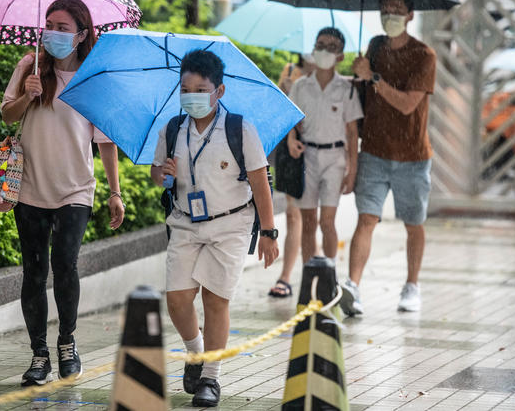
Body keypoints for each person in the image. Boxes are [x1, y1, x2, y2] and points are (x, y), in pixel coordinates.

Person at [1, 0, 125, 386]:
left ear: (82, 34)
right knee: (34, 273)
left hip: (76, 189)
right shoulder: (30, 66)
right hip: (30, 187)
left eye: (62, 27)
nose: (52, 32)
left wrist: (115, 192)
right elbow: (7, 113)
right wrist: (28, 94)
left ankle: (67, 343)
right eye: (49, 24)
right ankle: (39, 354)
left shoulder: (93, 78)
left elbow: (105, 141)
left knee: (65, 265)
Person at [150, 49, 279, 407]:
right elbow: (156, 173)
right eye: (185, 88)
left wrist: (268, 232)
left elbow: (260, 183)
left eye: (200, 89)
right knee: (176, 300)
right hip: (185, 223)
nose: (192, 95)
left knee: (215, 300)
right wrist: (164, 173)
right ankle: (196, 353)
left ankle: (211, 378)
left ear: (218, 91)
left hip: (231, 224)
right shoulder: (173, 128)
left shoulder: (240, 129)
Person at [340, 0, 437, 315]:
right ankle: (352, 287)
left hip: (413, 155)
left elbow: (409, 104)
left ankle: (412, 284)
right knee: (367, 218)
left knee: (413, 222)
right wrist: (357, 76)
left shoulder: (424, 55)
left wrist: (374, 79)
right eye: (385, 11)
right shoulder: (375, 46)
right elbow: (364, 90)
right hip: (375, 150)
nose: (390, 16)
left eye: (397, 11)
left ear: (410, 15)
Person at [286, 27, 362, 264]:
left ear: (340, 56)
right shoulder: (300, 87)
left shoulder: (347, 89)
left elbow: (352, 132)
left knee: (326, 221)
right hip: (307, 157)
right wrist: (290, 139)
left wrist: (352, 171)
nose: (324, 51)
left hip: (335, 159)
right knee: (308, 221)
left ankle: (330, 275)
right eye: (320, 45)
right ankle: (310, 274)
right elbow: (291, 121)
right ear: (313, 50)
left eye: (331, 47)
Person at [268, 52, 316, 298]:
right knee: (293, 214)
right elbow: (278, 112)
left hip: (317, 149)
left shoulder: (327, 77)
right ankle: (286, 277)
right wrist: (287, 93)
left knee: (312, 217)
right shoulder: (289, 71)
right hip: (290, 149)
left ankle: (316, 275)